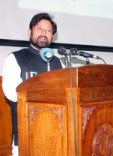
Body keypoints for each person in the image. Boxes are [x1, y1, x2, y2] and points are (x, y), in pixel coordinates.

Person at [2, 13, 62, 155]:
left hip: (55, 134)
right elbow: (11, 93)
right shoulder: (15, 58)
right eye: (39, 28)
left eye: (48, 31)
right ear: (29, 32)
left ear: (52, 36)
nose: (44, 33)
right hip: (25, 134)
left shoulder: (58, 62)